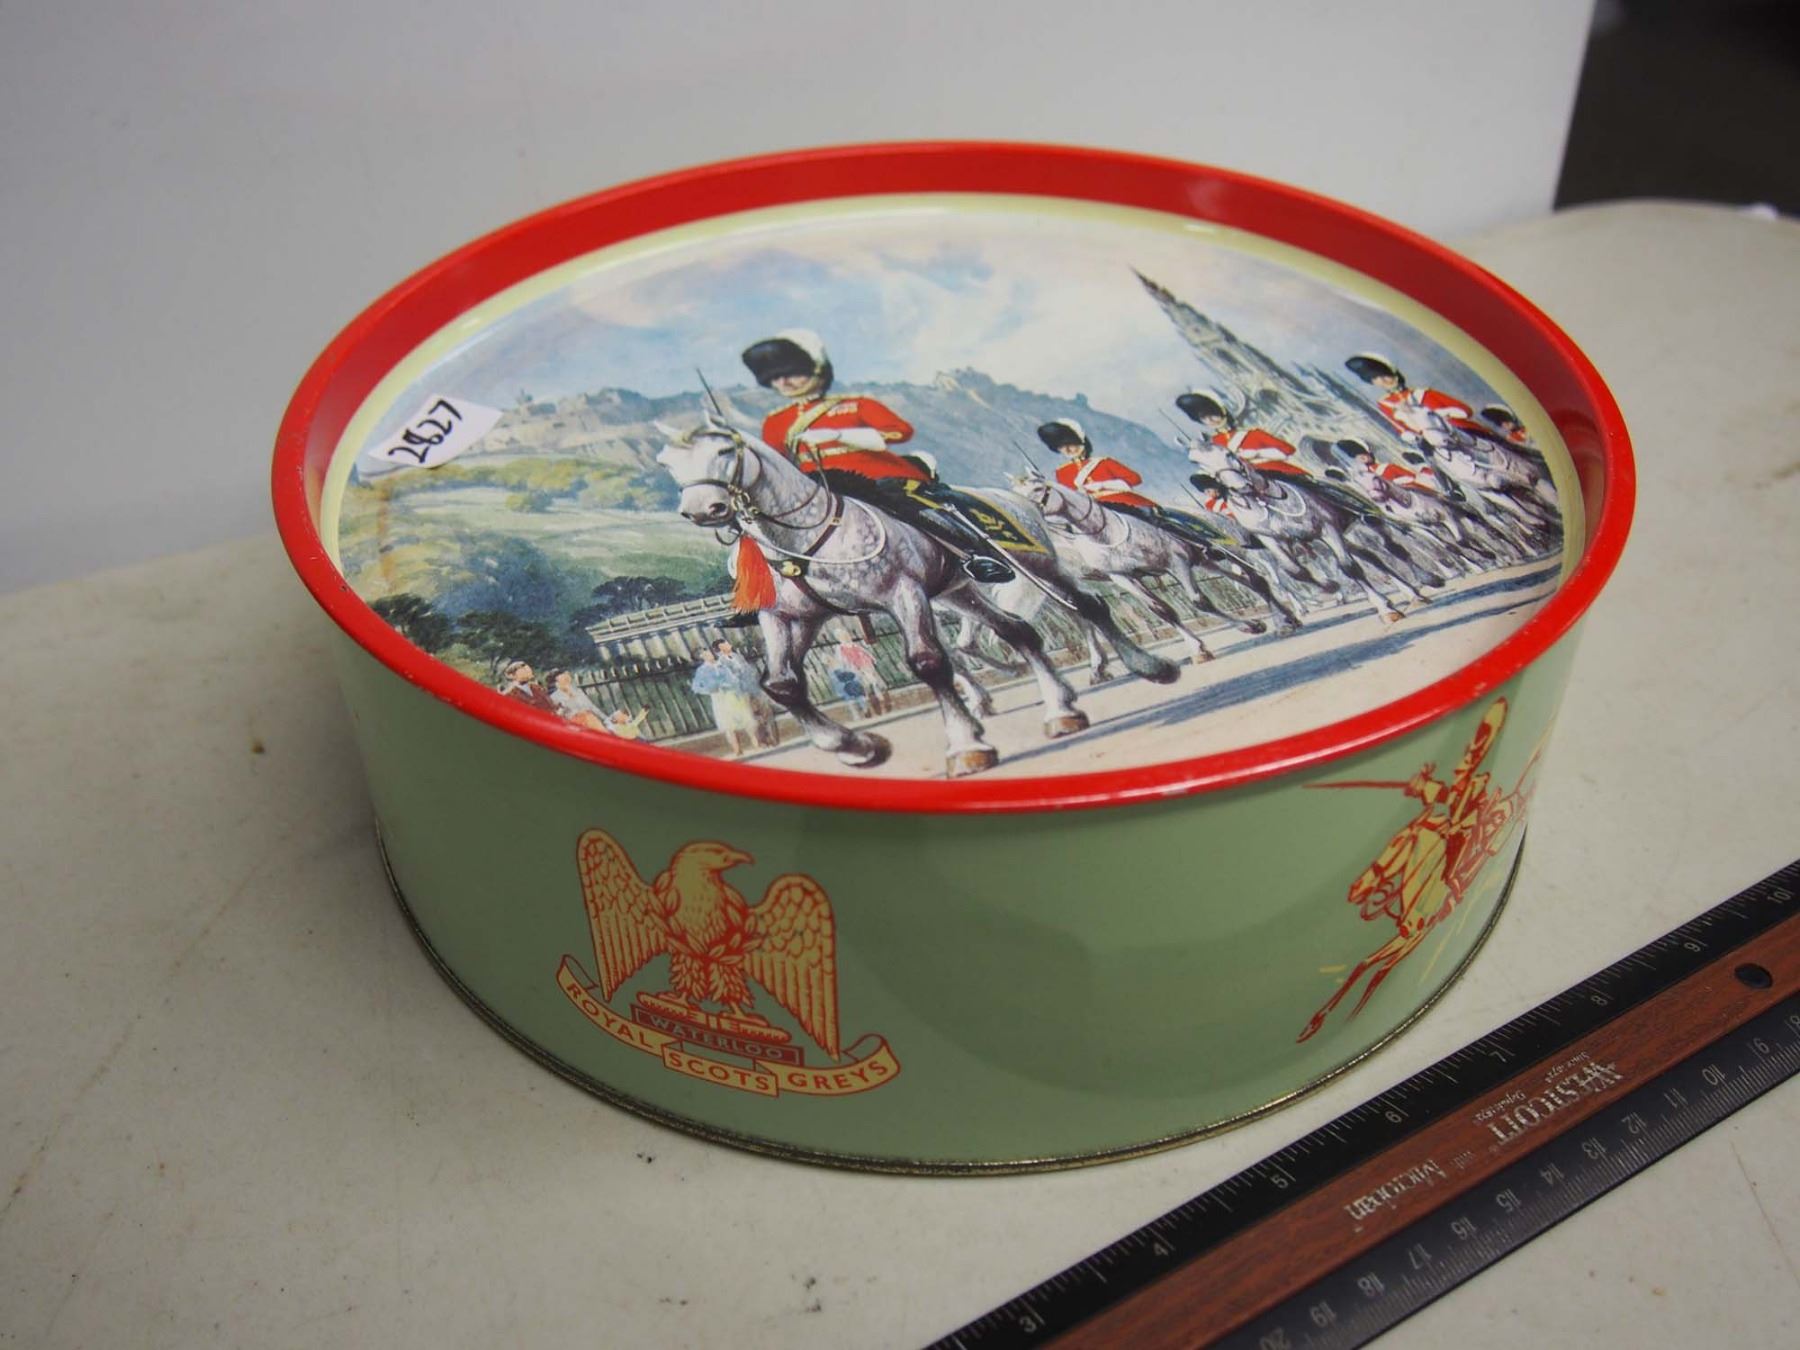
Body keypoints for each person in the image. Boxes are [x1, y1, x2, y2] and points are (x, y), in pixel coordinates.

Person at [741, 328, 1037, 583]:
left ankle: (972, 555)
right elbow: (778, 464)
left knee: (902, 504)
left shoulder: (856, 404)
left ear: (816, 369)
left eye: (790, 373)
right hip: (821, 485)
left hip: (876, 476)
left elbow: (900, 431)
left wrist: (840, 435)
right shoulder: (776, 422)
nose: (783, 383)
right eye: (775, 378)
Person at [1036, 417, 1231, 548]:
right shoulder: (1062, 472)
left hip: (1124, 501)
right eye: (1062, 447)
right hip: (1094, 509)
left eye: (1071, 443)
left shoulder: (1104, 462)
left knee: (1157, 520)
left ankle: (1198, 544)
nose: (1068, 449)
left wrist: (1102, 485)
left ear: (1081, 441)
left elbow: (1134, 479)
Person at [1173, 389, 1314, 512]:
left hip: (1280, 476)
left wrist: (1256, 453)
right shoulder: (1213, 446)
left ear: (1221, 411)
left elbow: (1288, 450)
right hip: (1245, 487)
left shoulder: (1253, 434)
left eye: (1212, 414)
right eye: (1204, 418)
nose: (1211, 420)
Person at [690, 645, 756, 756]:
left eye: (708, 652)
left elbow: (735, 677)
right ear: (701, 657)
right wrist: (710, 690)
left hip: (732, 694)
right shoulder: (702, 670)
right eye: (705, 654)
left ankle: (756, 743)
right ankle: (737, 750)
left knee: (746, 719)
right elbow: (696, 687)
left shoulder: (723, 665)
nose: (709, 654)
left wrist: (733, 684)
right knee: (728, 724)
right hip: (719, 698)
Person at [711, 638, 776, 747]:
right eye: (725, 643)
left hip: (752, 688)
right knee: (752, 718)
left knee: (764, 714)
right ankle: (761, 741)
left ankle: (769, 738)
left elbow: (749, 671)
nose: (729, 644)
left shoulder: (738, 657)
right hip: (741, 692)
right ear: (721, 648)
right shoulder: (721, 664)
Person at [834, 634, 887, 716]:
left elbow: (864, 652)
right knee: (864, 686)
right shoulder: (840, 648)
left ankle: (880, 701)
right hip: (854, 668)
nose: (846, 637)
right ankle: (871, 705)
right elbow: (841, 659)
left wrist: (872, 659)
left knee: (874, 682)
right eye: (843, 636)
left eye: (846, 635)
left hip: (865, 665)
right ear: (839, 638)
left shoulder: (854, 645)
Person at [546, 668, 610, 731]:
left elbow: (591, 706)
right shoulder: (554, 697)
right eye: (563, 681)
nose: (567, 683)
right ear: (556, 684)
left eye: (566, 679)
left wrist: (606, 718)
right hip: (575, 725)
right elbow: (558, 715)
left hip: (590, 720)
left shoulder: (577, 691)